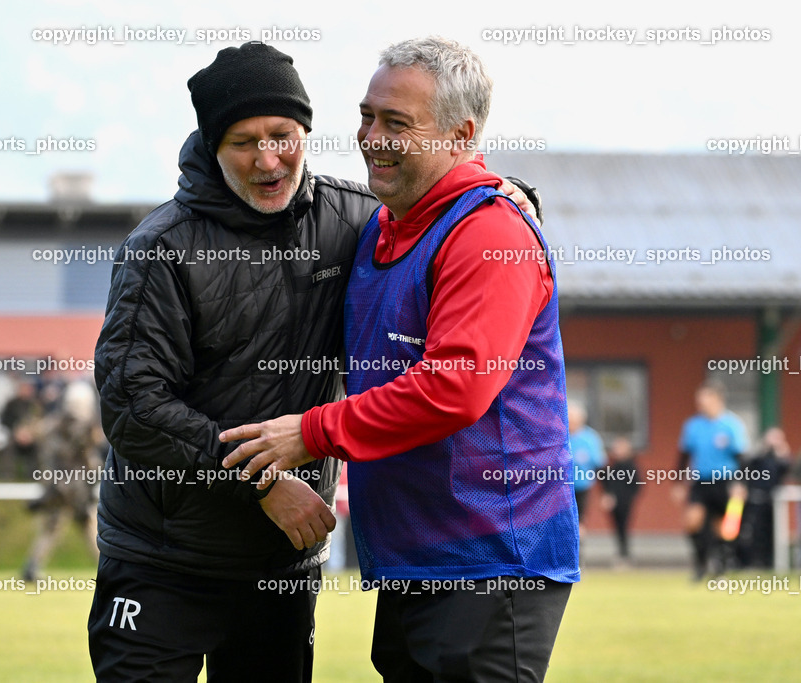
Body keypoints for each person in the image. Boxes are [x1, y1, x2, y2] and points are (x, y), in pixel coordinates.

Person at [88, 40, 540, 682]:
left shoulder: (355, 218)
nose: (268, 159)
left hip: (279, 564)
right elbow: (133, 407)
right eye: (244, 141)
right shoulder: (161, 247)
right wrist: (263, 480)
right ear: (212, 145)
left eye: (283, 134)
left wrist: (510, 195)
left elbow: (441, 200)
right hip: (164, 559)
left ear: (305, 130)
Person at [222, 36, 577, 682]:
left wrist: (310, 433)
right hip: (417, 561)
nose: (372, 137)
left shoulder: (490, 232)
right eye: (366, 115)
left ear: (460, 134)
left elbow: (455, 388)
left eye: (396, 123)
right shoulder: (382, 226)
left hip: (491, 562)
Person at [23, 381, 102, 581]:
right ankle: (106, 569)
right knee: (88, 525)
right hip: (74, 489)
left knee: (54, 527)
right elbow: (90, 461)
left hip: (58, 486)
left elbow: (44, 452)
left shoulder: (54, 424)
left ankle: (32, 566)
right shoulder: (84, 429)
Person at [674, 379, 749, 580]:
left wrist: (740, 483)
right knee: (692, 522)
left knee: (723, 527)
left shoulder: (731, 425)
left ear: (717, 399)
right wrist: (678, 483)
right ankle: (700, 562)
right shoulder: (693, 425)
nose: (700, 403)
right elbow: (683, 455)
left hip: (725, 480)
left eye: (704, 398)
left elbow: (741, 457)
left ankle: (720, 565)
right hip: (700, 480)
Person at [738, 426, 791, 568]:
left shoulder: (780, 459)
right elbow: (746, 465)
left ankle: (769, 563)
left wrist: (782, 453)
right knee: (752, 532)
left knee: (771, 533)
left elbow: (787, 469)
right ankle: (749, 562)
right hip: (755, 500)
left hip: (772, 501)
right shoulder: (758, 457)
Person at [600, 435, 639, 567]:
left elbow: (636, 486)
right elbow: (605, 480)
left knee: (623, 528)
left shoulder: (631, 467)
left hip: (624, 503)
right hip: (614, 504)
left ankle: (625, 555)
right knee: (617, 528)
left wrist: (623, 498)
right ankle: (621, 554)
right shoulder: (613, 466)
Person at [568, 402, 607, 527]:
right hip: (559, 486)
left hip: (581, 486)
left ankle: (579, 544)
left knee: (579, 520)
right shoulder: (560, 436)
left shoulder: (590, 438)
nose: (571, 423)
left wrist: (605, 492)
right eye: (569, 419)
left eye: (574, 420)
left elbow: (600, 465)